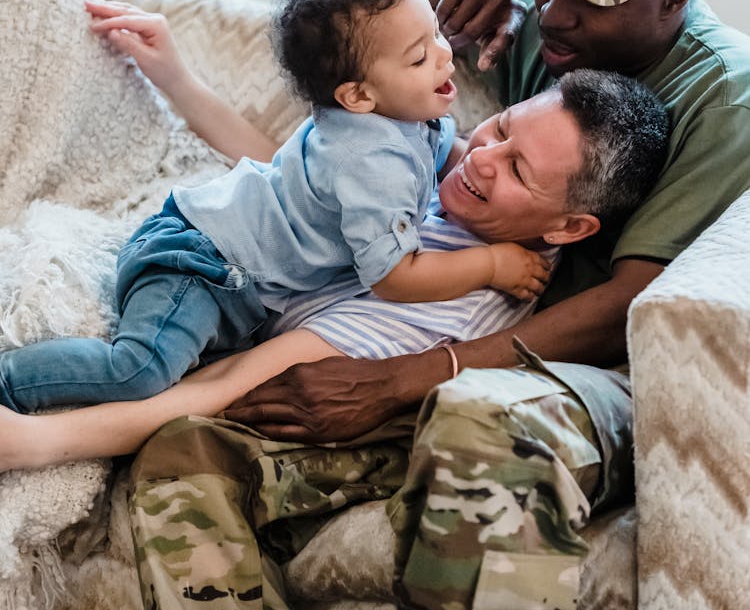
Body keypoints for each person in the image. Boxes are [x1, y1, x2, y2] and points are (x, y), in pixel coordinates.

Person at [118, 0, 750, 610]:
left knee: (486, 423)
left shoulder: (724, 99)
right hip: (420, 329)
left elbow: (624, 307)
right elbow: (382, 31)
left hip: (573, 372)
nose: (549, 10)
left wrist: (400, 380)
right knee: (186, 450)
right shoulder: (543, 28)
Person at [0, 68, 669, 475]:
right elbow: (300, 189)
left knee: (137, 364)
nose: (482, 158)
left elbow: (222, 384)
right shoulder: (452, 165)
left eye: (518, 169)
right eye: (500, 129)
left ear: (567, 229)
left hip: (209, 272)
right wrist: (177, 78)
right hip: (204, 230)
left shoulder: (449, 304)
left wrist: (37, 441)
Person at [0, 0, 551, 416]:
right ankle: (8, 380)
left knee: (206, 373)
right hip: (201, 265)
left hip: (235, 275)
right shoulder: (367, 158)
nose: (444, 55)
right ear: (357, 96)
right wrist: (493, 264)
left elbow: (450, 156)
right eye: (419, 56)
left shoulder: (409, 116)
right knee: (141, 371)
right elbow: (393, 276)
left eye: (435, 35)